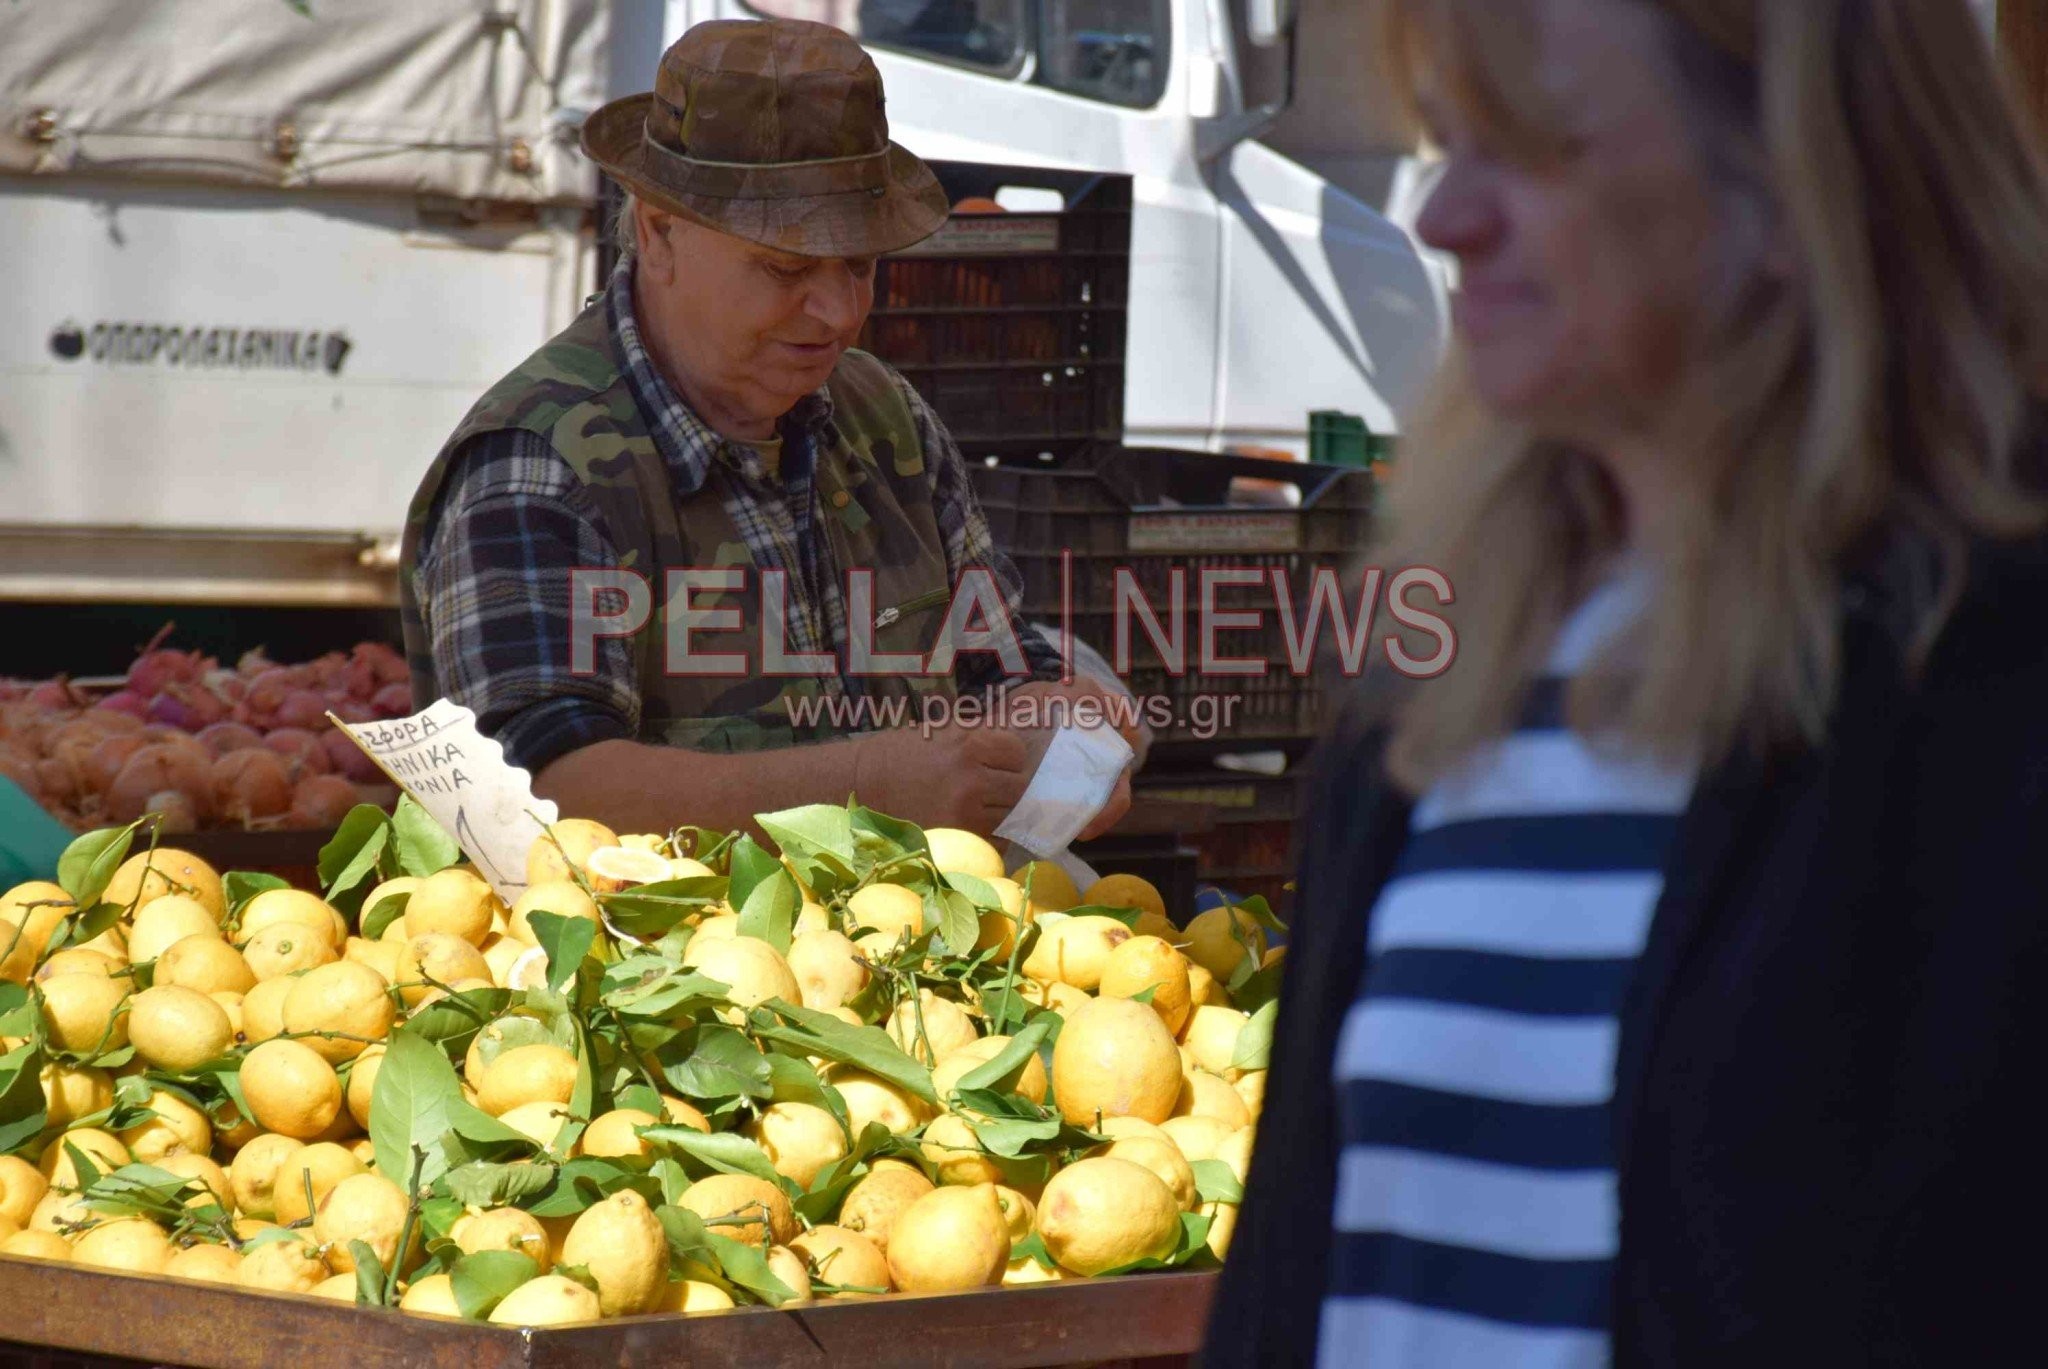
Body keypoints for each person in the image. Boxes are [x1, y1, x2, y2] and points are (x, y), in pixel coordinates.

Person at [1207, 0, 2048, 1364]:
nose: (1447, 218)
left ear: (1794, 183)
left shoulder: (1985, 690)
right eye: (1451, 144)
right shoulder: (1447, 686)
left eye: (1532, 151)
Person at [399, 18, 1131, 839]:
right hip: (657, 968)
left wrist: (1061, 724)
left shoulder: (887, 422)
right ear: (658, 231)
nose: (839, 311)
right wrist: (874, 786)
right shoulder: (538, 466)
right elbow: (531, 799)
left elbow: (999, 658)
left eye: (859, 264)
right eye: (785, 268)